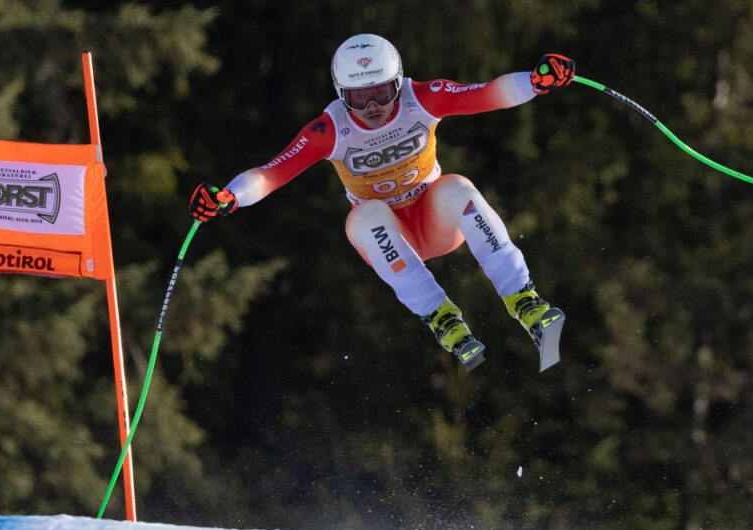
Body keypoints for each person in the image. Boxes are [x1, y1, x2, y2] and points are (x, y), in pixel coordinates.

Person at [190, 34, 575, 372]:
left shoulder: (423, 98)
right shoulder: (330, 128)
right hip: (389, 239)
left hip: (435, 220)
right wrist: (230, 197)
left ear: (398, 82)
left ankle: (523, 298)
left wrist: (536, 81)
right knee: (364, 217)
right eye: (359, 97)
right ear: (341, 93)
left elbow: (488, 93)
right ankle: (441, 317)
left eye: (382, 92)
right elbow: (273, 172)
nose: (372, 106)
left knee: (457, 187)